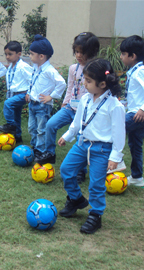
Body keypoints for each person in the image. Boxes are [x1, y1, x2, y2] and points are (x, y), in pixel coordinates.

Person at [58, 59, 125, 234]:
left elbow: (119, 134)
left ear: (102, 83)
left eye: (88, 81)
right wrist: (67, 136)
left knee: (96, 185)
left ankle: (95, 215)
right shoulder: (85, 99)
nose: (84, 84)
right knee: (66, 170)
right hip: (82, 144)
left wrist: (115, 157)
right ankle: (76, 199)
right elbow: (78, 121)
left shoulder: (115, 106)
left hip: (102, 150)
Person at [35, 32, 110, 183]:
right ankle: (50, 153)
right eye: (76, 51)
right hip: (70, 107)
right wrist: (65, 103)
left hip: (85, 112)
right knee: (50, 124)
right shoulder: (73, 69)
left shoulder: (96, 70)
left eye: (82, 52)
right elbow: (70, 88)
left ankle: (80, 171)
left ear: (92, 52)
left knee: (80, 139)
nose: (79, 55)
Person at [120, 35, 144, 186]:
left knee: (114, 129)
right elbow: (137, 94)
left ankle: (117, 161)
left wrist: (142, 110)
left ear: (133, 56)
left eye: (123, 54)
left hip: (139, 114)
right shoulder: (134, 71)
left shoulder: (141, 71)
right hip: (138, 112)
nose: (121, 57)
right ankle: (137, 178)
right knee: (135, 145)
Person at [26, 34, 66, 157]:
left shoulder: (49, 70)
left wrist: (51, 96)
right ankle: (35, 146)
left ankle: (40, 150)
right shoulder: (36, 67)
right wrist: (29, 92)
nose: (30, 56)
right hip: (32, 104)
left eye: (32, 54)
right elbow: (32, 81)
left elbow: (62, 83)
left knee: (41, 130)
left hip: (42, 106)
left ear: (41, 56)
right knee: (31, 128)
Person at [0, 40, 33, 143]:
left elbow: (32, 79)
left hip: (23, 94)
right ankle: (17, 136)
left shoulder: (23, 66)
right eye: (6, 54)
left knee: (7, 104)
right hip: (14, 94)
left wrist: (29, 93)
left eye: (10, 54)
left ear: (19, 54)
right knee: (16, 115)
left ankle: (10, 125)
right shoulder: (11, 67)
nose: (7, 57)